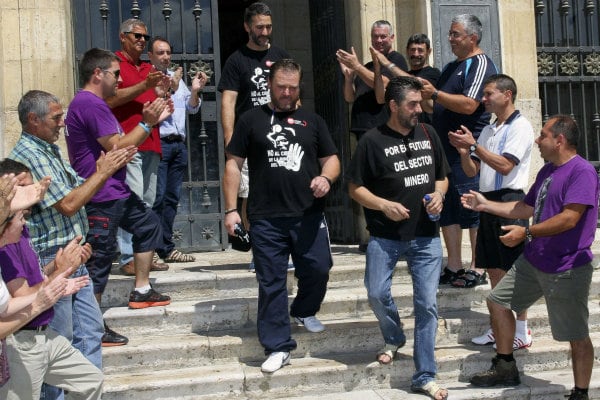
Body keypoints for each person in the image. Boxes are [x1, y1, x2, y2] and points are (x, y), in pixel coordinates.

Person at [8, 90, 134, 400]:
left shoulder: (48, 149)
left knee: (90, 331)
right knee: (59, 342)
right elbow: (68, 203)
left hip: (73, 255)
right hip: (53, 258)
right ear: (33, 120)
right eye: (55, 117)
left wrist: (100, 172)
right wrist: (103, 172)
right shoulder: (30, 155)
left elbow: (76, 187)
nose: (62, 123)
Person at [464, 115, 597, 400]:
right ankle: (505, 365)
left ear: (559, 140)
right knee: (497, 301)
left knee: (576, 334)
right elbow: (525, 208)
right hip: (534, 260)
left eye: (543, 135)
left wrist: (526, 234)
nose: (537, 140)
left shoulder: (582, 172)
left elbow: (569, 218)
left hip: (567, 266)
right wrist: (486, 205)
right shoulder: (548, 170)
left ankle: (581, 392)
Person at [223, 59, 340, 373]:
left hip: (308, 215)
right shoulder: (250, 120)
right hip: (265, 218)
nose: (287, 93)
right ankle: (277, 346)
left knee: (318, 268)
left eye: (293, 87)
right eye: (281, 87)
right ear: (269, 86)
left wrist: (326, 179)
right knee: (272, 283)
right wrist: (232, 210)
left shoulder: (312, 121)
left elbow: (332, 160)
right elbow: (233, 164)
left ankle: (303, 309)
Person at [347, 76, 450, 400]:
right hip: (385, 236)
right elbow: (354, 187)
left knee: (427, 304)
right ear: (394, 106)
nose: (419, 109)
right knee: (376, 293)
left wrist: (439, 195)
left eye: (419, 103)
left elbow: (442, 177)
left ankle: (425, 375)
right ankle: (394, 336)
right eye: (413, 104)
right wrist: (382, 205)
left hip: (426, 237)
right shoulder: (372, 141)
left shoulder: (428, 132)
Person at [65, 48, 172, 318]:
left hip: (116, 190)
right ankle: (92, 326)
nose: (120, 80)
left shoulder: (95, 104)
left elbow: (120, 145)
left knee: (148, 226)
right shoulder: (89, 103)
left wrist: (152, 121)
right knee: (99, 260)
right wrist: (146, 125)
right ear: (98, 74)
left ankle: (142, 290)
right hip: (101, 195)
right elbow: (116, 148)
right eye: (115, 74)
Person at [0, 168, 103, 399]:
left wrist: (60, 267)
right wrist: (58, 276)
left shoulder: (21, 231)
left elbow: (35, 282)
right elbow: (24, 295)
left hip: (46, 334)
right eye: (22, 187)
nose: (32, 193)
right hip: (23, 341)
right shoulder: (6, 243)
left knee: (91, 381)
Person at [447, 74, 534, 349]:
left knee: (513, 268)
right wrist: (464, 151)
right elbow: (473, 169)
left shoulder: (521, 127)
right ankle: (499, 326)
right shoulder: (488, 129)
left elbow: (506, 166)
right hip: (486, 201)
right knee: (494, 268)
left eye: (488, 94)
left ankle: (521, 329)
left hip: (510, 201)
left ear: (507, 95)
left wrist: (474, 146)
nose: (483, 99)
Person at [419, 14, 498, 287]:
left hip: (467, 151)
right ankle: (454, 265)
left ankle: (477, 266)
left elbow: (468, 105)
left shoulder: (480, 64)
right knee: (448, 209)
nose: (450, 39)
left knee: (471, 207)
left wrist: (435, 95)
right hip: (444, 150)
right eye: (451, 34)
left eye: (455, 34)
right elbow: (437, 106)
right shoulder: (452, 67)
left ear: (472, 38)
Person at [218, 2, 291, 259]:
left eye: (268, 26)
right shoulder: (236, 60)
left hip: (281, 135)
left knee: (282, 188)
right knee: (251, 195)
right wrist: (230, 138)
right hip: (250, 139)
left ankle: (282, 247)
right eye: (259, 26)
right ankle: (258, 252)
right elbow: (228, 101)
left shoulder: (281, 56)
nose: (265, 31)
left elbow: (293, 93)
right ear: (247, 27)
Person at [107, 18, 173, 270]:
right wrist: (144, 86)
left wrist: (161, 93)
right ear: (122, 36)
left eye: (144, 36)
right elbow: (111, 98)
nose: (141, 40)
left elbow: (153, 99)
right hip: (127, 141)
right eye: (136, 35)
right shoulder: (115, 65)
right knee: (130, 201)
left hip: (151, 142)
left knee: (146, 204)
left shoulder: (148, 68)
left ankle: (143, 256)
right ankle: (127, 258)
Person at [337, 20, 408, 252]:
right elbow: (350, 97)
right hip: (361, 133)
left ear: (392, 38)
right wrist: (349, 76)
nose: (378, 40)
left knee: (385, 184)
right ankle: (374, 234)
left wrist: (357, 67)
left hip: (382, 134)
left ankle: (392, 236)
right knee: (365, 185)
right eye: (375, 36)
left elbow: (385, 89)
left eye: (383, 36)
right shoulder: (365, 65)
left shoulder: (395, 61)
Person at [148, 36, 207, 265]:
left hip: (178, 145)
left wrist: (194, 90)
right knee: (157, 197)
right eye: (160, 53)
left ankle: (166, 247)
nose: (166, 56)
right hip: (159, 143)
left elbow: (191, 109)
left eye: (168, 52)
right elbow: (153, 106)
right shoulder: (149, 78)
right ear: (151, 56)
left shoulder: (177, 79)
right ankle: (149, 250)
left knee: (172, 198)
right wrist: (168, 89)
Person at [370, 33, 440, 124]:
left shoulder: (433, 73)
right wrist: (377, 69)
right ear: (407, 51)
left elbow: (417, 84)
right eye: (412, 50)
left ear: (429, 52)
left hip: (425, 130)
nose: (415, 54)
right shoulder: (403, 75)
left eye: (420, 50)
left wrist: (387, 64)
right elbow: (380, 98)